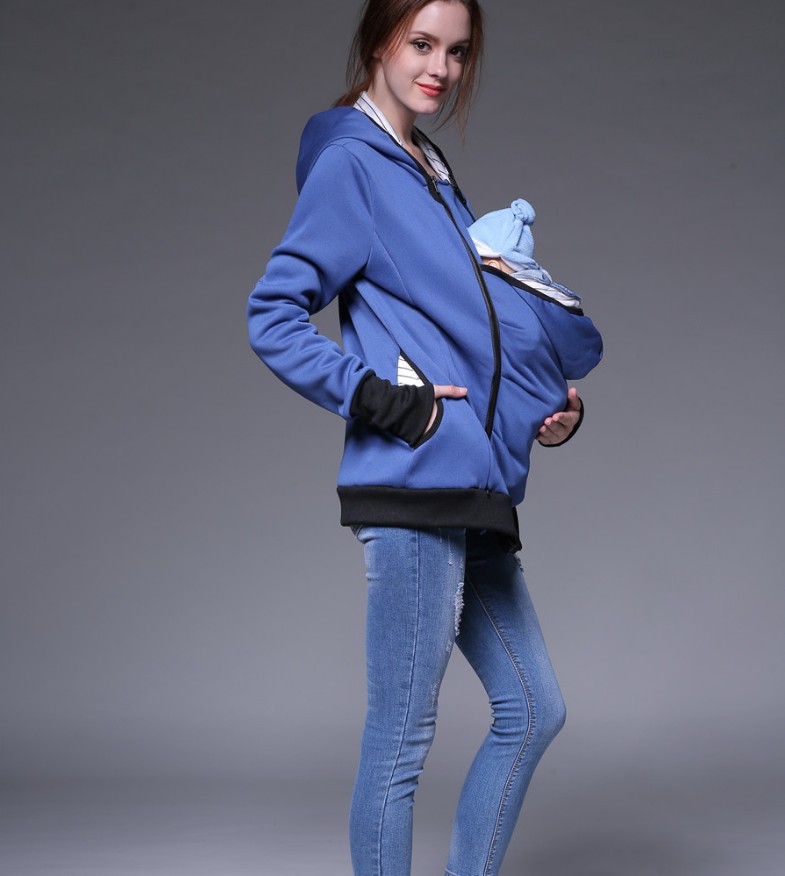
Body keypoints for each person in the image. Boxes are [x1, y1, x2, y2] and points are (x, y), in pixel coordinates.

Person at [247, 2, 602, 873]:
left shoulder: (432, 170)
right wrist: (388, 404)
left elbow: (462, 333)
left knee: (533, 709)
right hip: (413, 484)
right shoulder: (352, 163)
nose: (440, 67)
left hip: (471, 486)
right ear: (379, 42)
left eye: (457, 50)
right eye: (420, 44)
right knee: (401, 737)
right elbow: (273, 316)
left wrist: (549, 411)